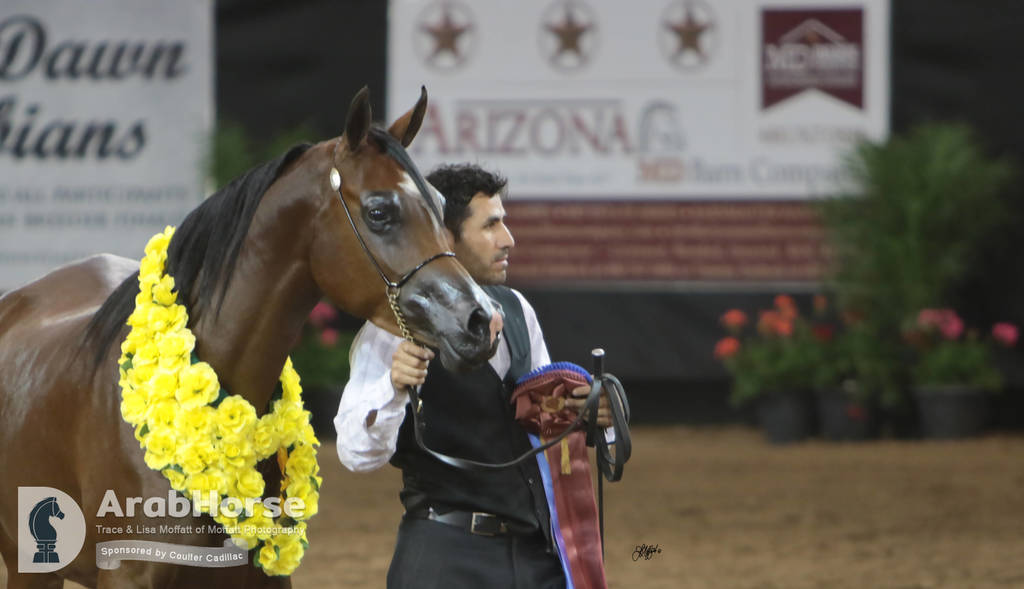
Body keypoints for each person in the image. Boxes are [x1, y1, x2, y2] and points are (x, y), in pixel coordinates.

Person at [334, 163, 610, 588]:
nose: (508, 240)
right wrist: (391, 386)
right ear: (445, 239)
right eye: (491, 226)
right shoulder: (392, 327)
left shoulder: (518, 309)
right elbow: (356, 453)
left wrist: (588, 412)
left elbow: (541, 419)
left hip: (536, 555)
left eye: (505, 222)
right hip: (446, 558)